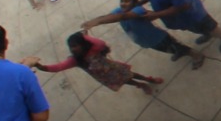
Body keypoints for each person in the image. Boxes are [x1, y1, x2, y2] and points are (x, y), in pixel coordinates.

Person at [80, 0, 198, 67]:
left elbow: (122, 17)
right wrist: (92, 25)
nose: (123, 4)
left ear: (135, 2)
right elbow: (110, 16)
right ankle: (179, 52)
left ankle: (196, 55)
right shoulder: (119, 11)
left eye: (127, 1)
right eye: (121, 1)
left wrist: (98, 21)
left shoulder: (138, 10)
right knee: (169, 50)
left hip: (159, 38)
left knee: (178, 46)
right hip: (147, 41)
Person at [28, 32, 161, 97]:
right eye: (71, 47)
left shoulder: (94, 48)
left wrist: (84, 36)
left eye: (76, 46)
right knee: (126, 81)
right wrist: (39, 66)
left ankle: (148, 79)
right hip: (106, 76)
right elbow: (57, 67)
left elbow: (101, 43)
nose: (73, 49)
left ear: (83, 44)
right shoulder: (75, 60)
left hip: (113, 67)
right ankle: (141, 85)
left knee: (131, 74)